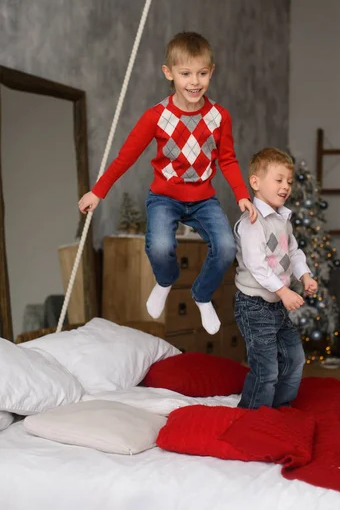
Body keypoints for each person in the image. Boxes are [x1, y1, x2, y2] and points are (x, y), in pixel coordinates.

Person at [78, 32, 256, 334]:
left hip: (203, 200)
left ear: (211, 72)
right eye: (185, 73)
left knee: (226, 248)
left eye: (202, 73)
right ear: (169, 73)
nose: (194, 82)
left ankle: (201, 296)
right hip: (165, 197)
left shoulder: (219, 116)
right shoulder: (157, 117)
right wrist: (98, 190)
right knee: (160, 247)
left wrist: (242, 193)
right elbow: (126, 156)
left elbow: (227, 159)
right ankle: (165, 281)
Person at [234, 147, 318, 408]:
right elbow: (257, 266)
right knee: (266, 369)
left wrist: (304, 275)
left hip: (276, 305)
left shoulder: (283, 220)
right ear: (256, 182)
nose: (286, 187)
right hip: (254, 304)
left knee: (295, 359)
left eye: (289, 182)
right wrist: (283, 292)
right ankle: (253, 417)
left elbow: (293, 252)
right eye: (279, 180)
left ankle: (280, 411)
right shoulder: (251, 221)